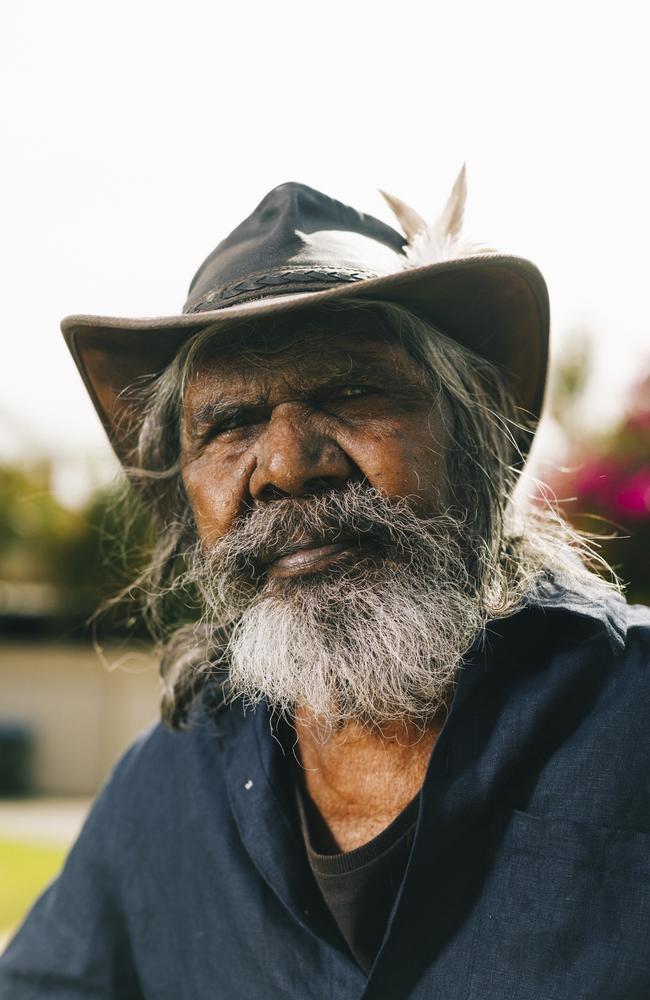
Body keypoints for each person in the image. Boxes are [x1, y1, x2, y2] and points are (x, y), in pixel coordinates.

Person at [2, 172, 649, 1000]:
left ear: (473, 427)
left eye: (351, 390)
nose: (283, 464)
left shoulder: (628, 714)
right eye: (230, 423)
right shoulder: (173, 781)